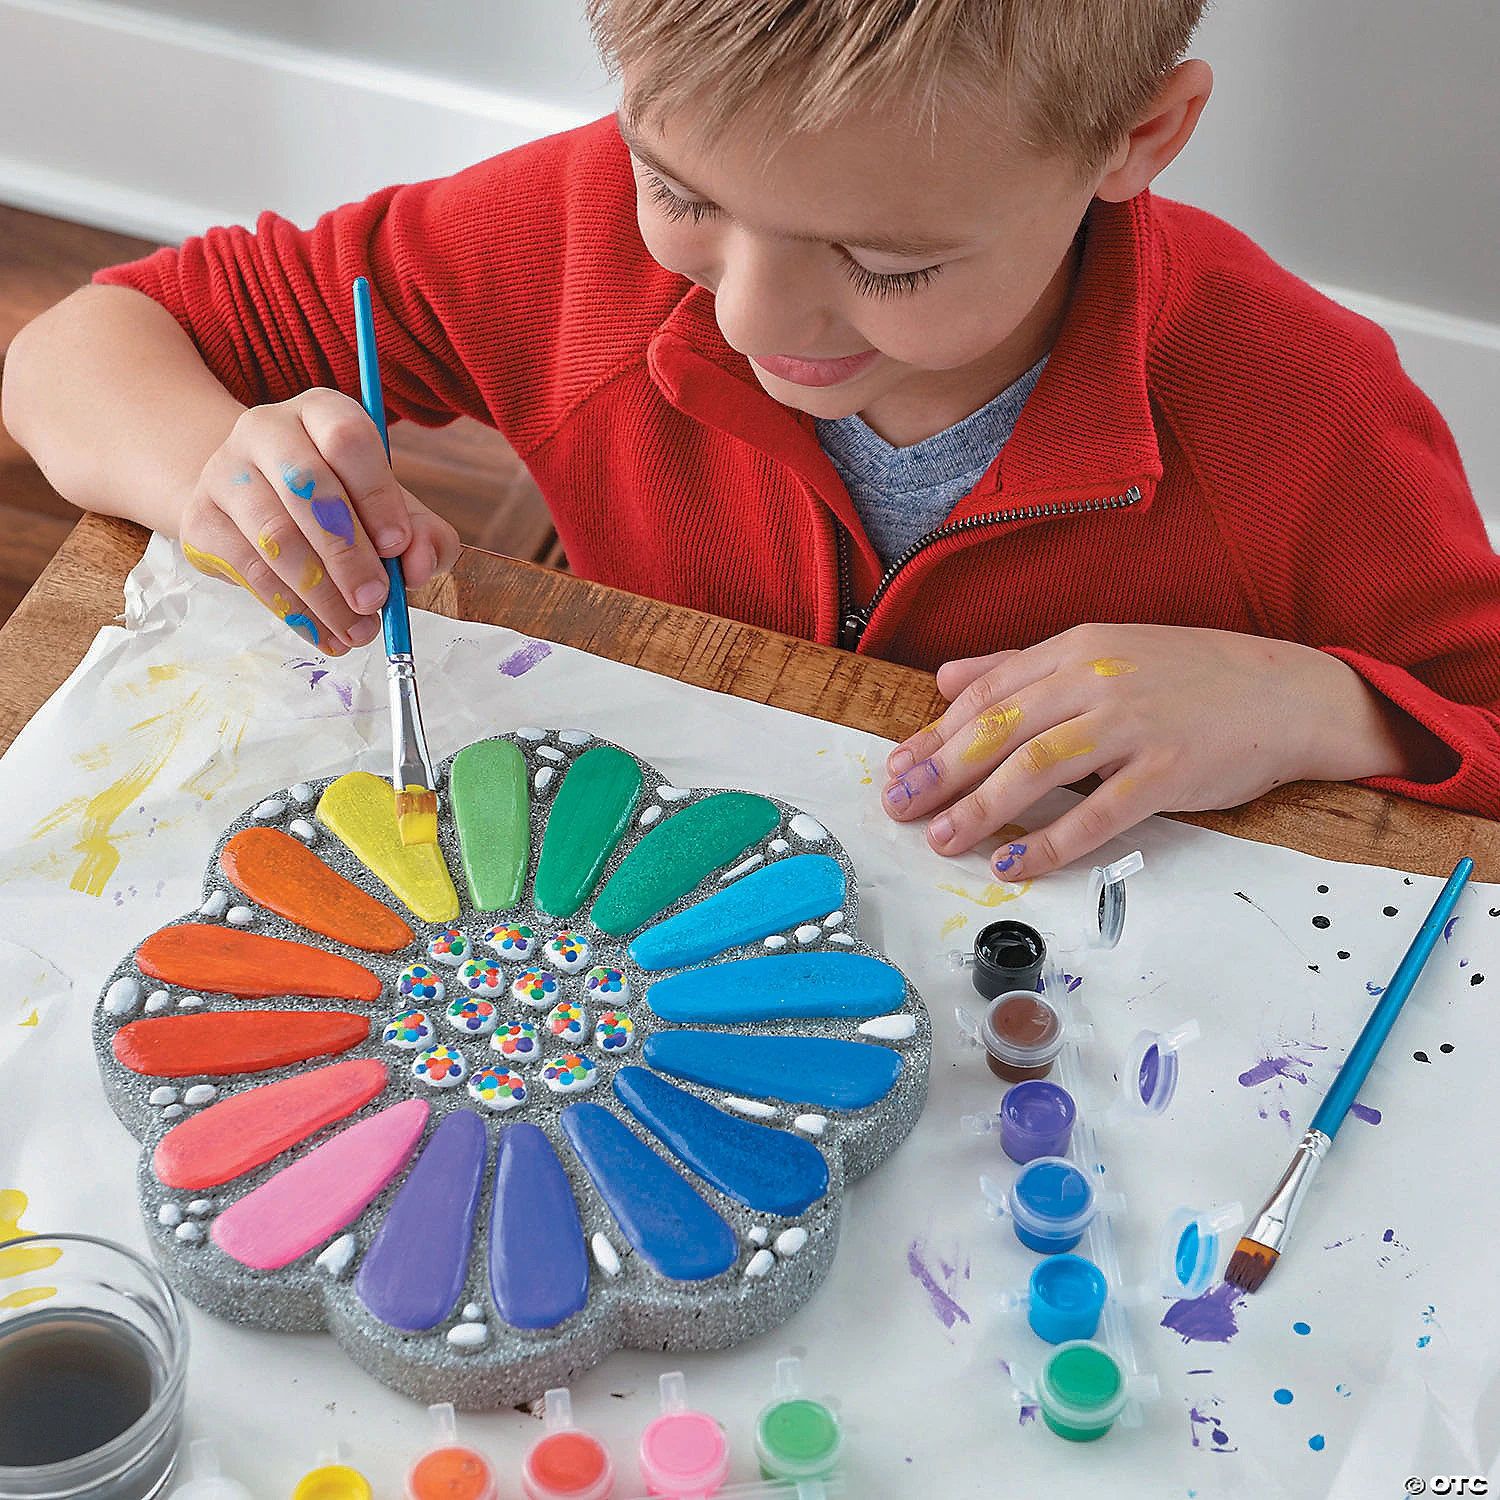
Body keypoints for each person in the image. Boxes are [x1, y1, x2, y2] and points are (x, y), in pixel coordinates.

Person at [5, 0, 1498, 884]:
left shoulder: (1307, 411)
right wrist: (217, 472)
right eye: (684, 195)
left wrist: (1314, 704)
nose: (746, 316)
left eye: (889, 265)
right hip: (643, 870)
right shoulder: (577, 232)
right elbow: (79, 350)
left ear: (1139, 139)